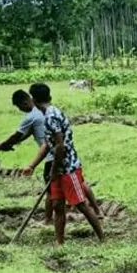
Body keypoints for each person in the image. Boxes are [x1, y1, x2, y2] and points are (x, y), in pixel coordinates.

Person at [30, 82, 106, 245]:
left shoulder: (51, 116)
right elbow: (50, 146)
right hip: (58, 168)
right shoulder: (50, 114)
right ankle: (60, 243)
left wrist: (55, 170)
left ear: (34, 100)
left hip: (67, 168)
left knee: (80, 205)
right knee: (57, 205)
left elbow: (60, 146)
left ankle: (102, 238)